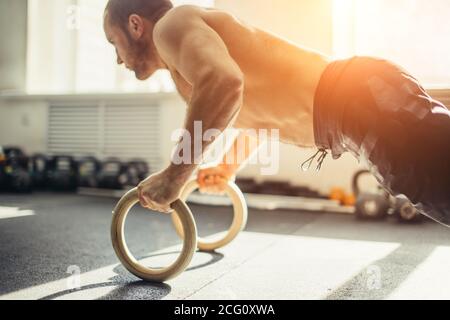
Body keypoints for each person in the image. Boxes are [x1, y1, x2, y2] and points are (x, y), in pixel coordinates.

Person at [103, 0, 450, 226]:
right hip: (357, 108)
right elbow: (252, 108)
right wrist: (227, 166)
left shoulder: (170, 26)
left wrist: (175, 175)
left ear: (136, 25)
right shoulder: (182, 55)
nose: (117, 59)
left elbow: (225, 84)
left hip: (360, 99)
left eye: (113, 43)